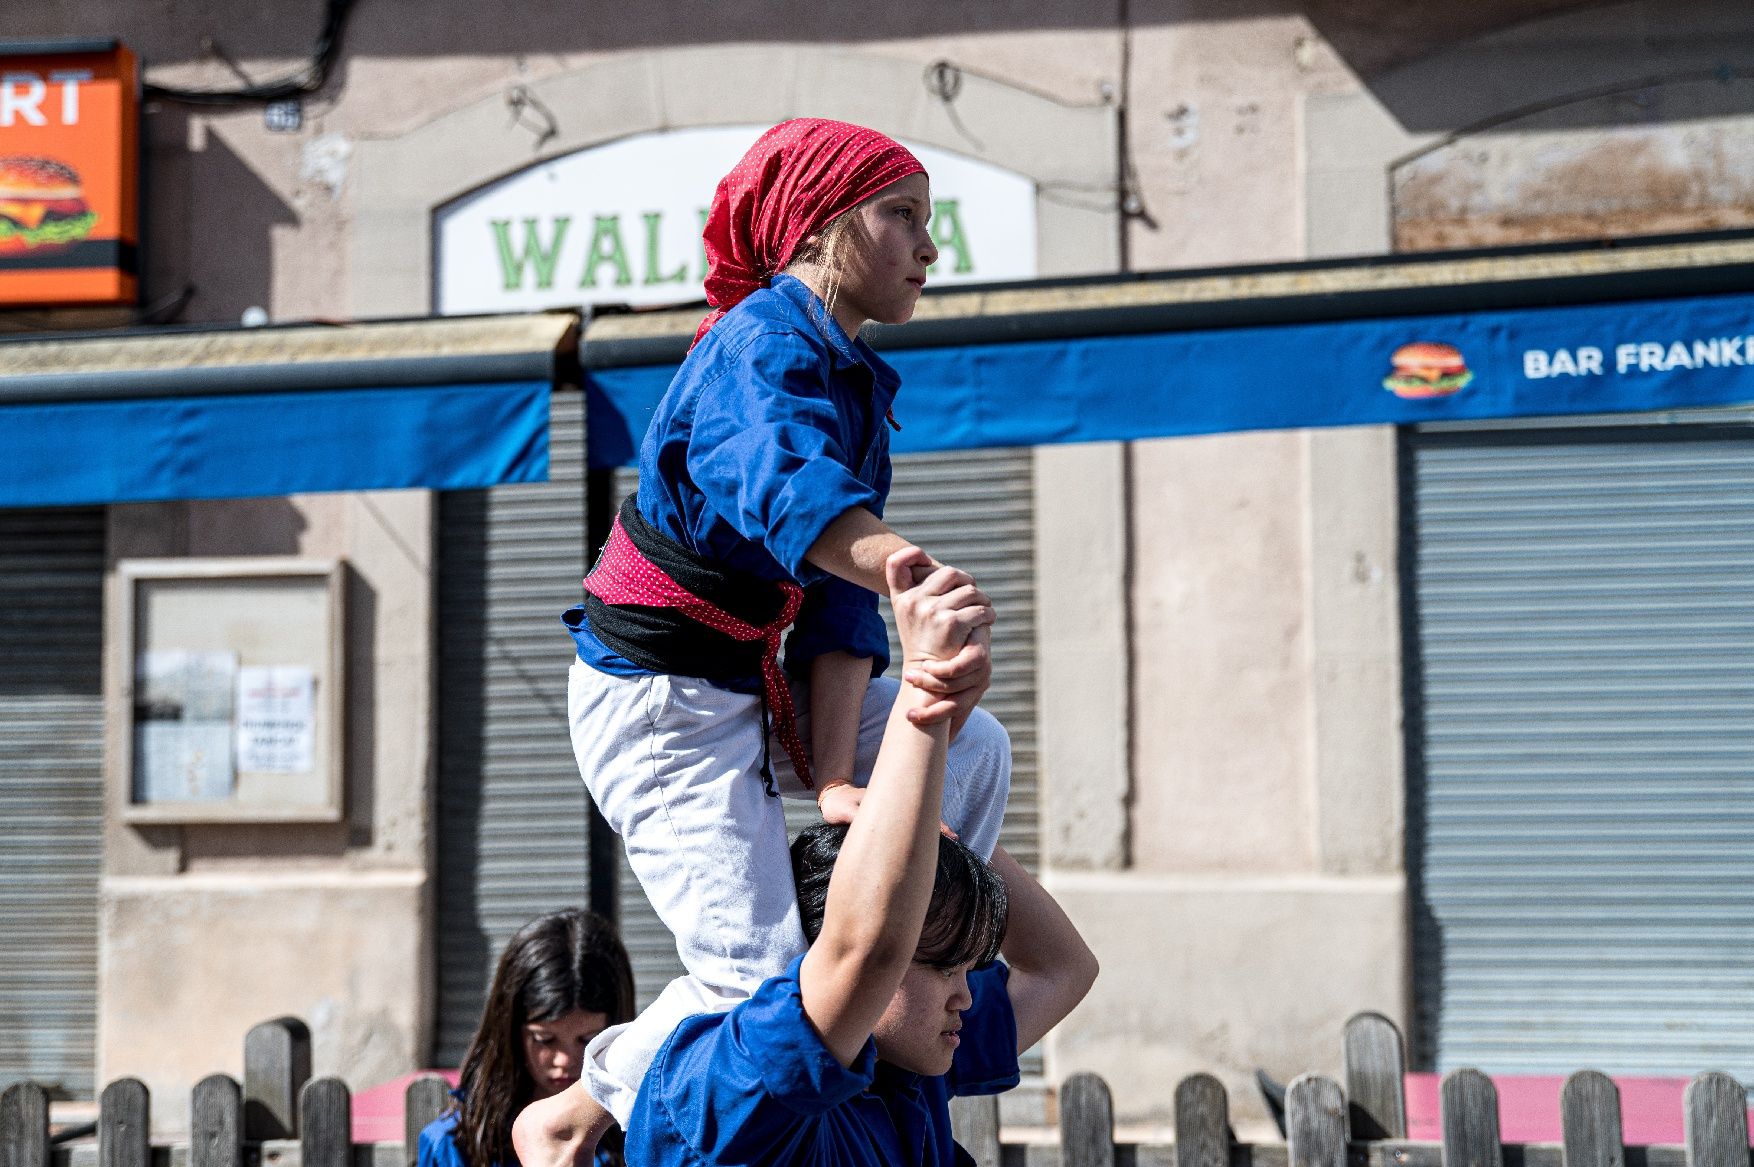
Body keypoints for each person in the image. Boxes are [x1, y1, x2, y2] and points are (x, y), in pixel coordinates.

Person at [537, 118, 1012, 1147]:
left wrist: (840, 778)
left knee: (971, 747)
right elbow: (779, 479)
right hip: (660, 704)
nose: (931, 249)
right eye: (903, 218)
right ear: (820, 229)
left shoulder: (854, 386)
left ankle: (897, 957)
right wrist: (899, 564)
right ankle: (573, 1116)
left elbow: (836, 617)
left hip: (750, 690)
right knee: (750, 979)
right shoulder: (752, 343)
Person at [622, 548, 1099, 1165]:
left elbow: (1065, 969)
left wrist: (922, 832)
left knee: (984, 746)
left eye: (963, 967)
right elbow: (867, 951)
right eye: (936, 963)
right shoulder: (739, 1092)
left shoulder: (912, 1069)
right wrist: (923, 689)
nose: (967, 996)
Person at [420, 909, 635, 1167]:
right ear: (510, 1030)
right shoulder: (455, 1144)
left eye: (587, 1039)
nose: (564, 1060)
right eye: (545, 1039)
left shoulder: (642, 1137)